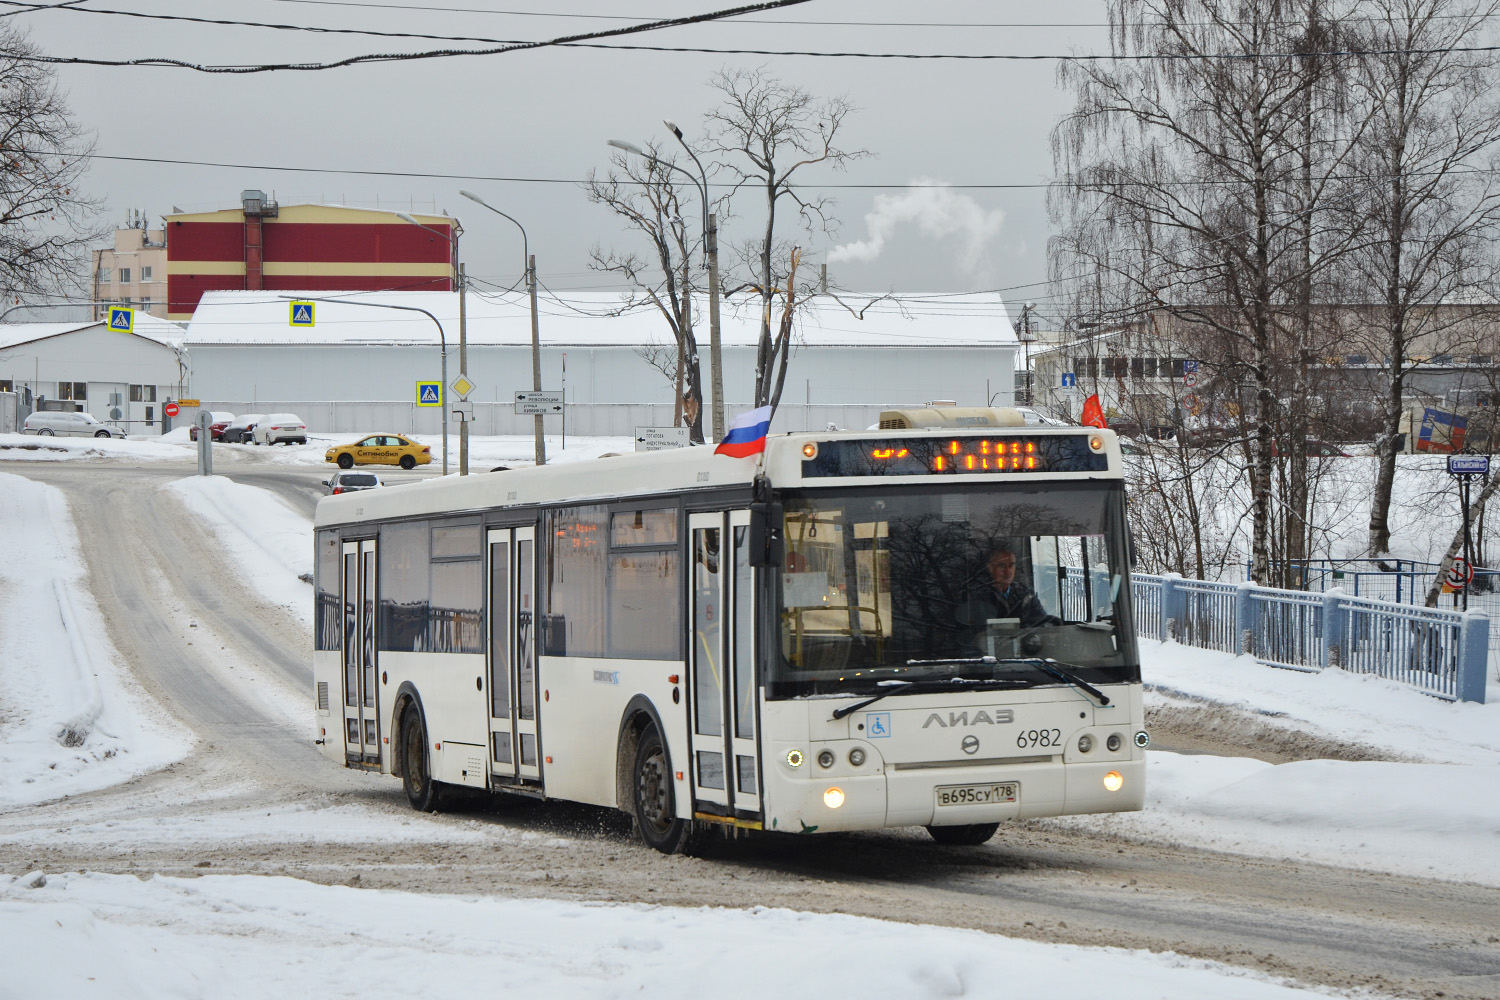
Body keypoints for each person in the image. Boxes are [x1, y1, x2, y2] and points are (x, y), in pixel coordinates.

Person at [979, 546, 1059, 629]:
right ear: (990, 568)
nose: (1008, 571)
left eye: (1011, 565)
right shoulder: (978, 594)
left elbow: (1041, 620)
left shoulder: (1025, 593)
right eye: (1002, 566)